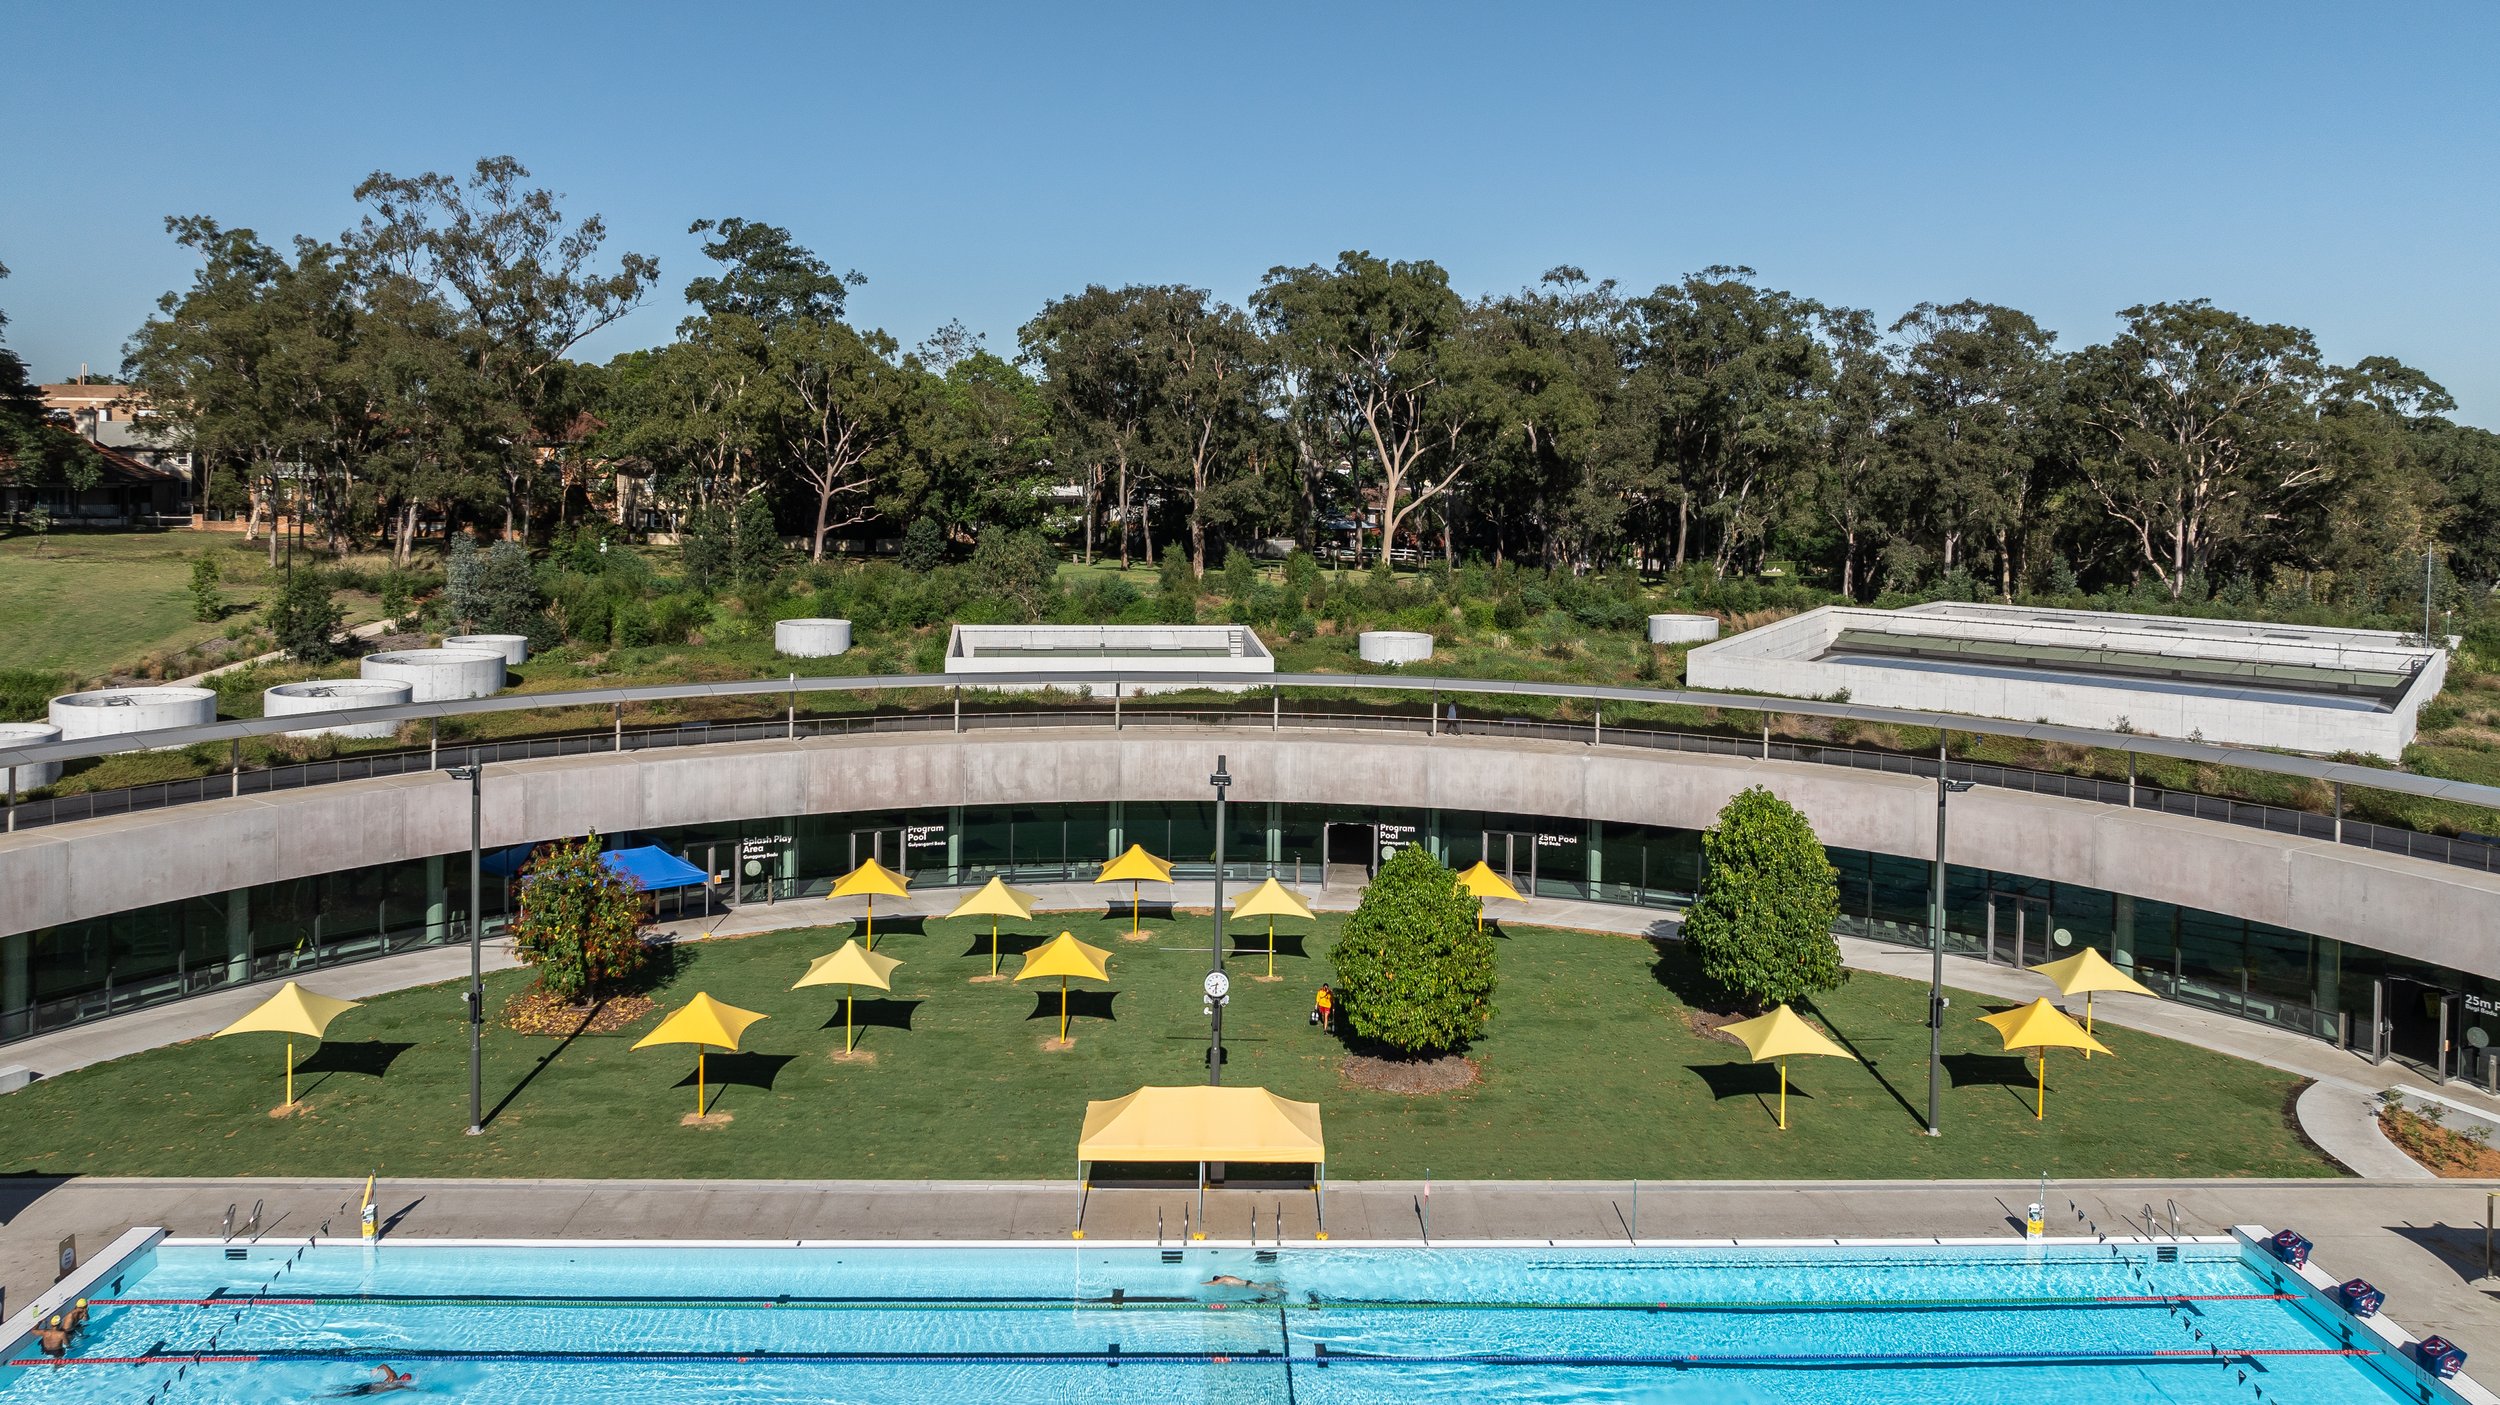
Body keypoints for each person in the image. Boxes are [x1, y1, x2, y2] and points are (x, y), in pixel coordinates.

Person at [328, 1365, 415, 1396]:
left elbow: (384, 1366)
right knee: (347, 1394)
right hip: (371, 1390)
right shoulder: (398, 1384)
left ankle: (331, 1387)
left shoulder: (393, 1375)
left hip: (370, 1385)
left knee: (349, 1388)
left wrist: (377, 1369)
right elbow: (408, 1389)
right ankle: (324, 1396)